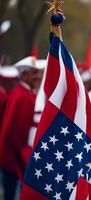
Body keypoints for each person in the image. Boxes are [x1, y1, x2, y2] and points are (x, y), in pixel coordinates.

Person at [0, 56, 44, 200]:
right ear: (24, 75)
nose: (38, 76)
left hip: (10, 156)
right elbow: (17, 132)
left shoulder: (20, 92)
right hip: (14, 159)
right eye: (34, 73)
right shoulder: (24, 97)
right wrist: (23, 159)